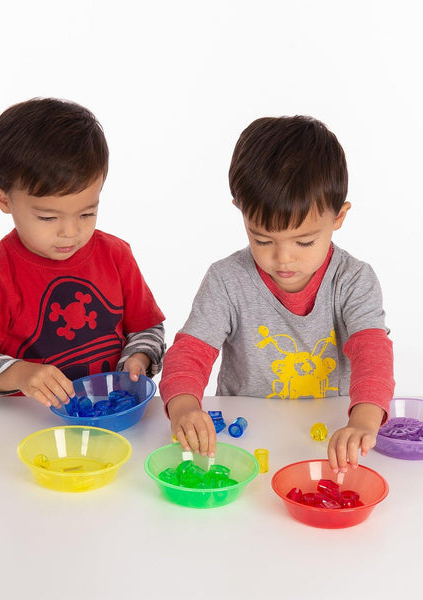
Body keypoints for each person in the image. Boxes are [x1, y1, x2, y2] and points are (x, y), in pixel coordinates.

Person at [159, 115, 394, 476]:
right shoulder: (226, 280)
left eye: (304, 241)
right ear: (240, 210)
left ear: (339, 217)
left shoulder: (354, 280)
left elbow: (372, 353)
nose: (283, 258)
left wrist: (363, 421)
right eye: (263, 239)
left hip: (329, 437)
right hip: (242, 442)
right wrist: (185, 407)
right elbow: (190, 352)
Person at [0, 98, 165, 409]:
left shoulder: (116, 255)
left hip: (110, 418)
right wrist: (21, 374)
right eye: (48, 218)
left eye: (87, 213)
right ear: (3, 200)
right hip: (27, 425)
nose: (70, 232)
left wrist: (139, 357)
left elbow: (146, 327)